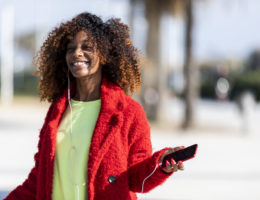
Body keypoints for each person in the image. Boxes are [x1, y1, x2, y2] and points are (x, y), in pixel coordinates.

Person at [4, 12, 185, 200]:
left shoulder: (128, 111)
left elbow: (136, 178)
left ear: (104, 54)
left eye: (87, 47)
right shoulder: (57, 110)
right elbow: (40, 177)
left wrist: (161, 164)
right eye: (70, 48)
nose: (77, 53)